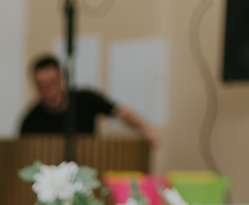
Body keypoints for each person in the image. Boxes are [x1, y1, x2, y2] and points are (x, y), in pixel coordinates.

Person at [18, 53, 160, 146]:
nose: (49, 91)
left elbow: (121, 113)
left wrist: (146, 130)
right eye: (42, 86)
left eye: (52, 84)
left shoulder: (85, 99)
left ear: (62, 80)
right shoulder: (30, 119)